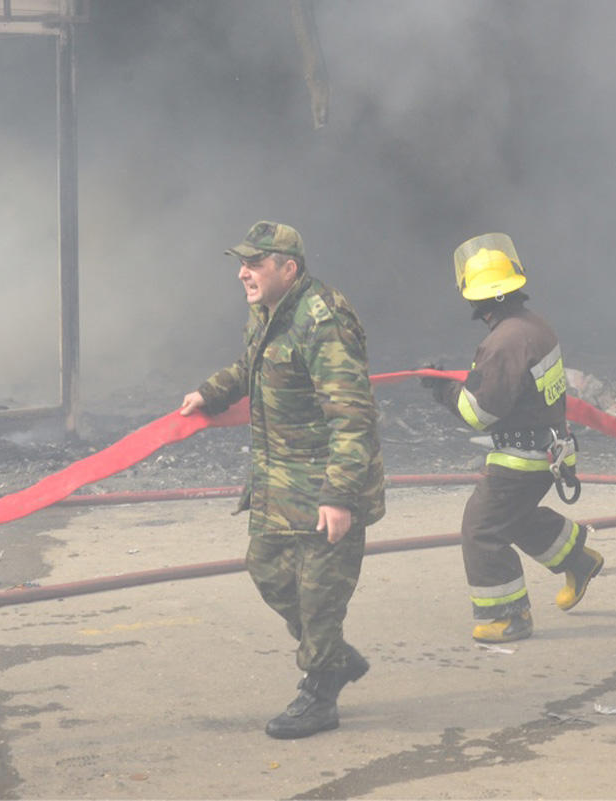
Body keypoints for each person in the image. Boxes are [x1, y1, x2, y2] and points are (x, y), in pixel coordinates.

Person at [180, 220, 385, 739]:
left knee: (319, 596)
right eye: (241, 264)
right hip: (278, 481)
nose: (243, 274)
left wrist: (340, 496)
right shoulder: (266, 314)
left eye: (255, 264)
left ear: (288, 269)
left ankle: (319, 693)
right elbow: (250, 366)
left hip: (324, 486)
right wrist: (212, 392)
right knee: (266, 568)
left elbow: (352, 415)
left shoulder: (324, 320)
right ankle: (333, 656)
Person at [423, 232, 603, 644]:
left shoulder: (502, 343)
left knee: (481, 530)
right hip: (548, 448)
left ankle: (507, 617)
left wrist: (442, 390)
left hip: (521, 459)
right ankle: (579, 558)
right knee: (515, 517)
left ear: (476, 299)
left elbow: (480, 413)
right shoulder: (533, 326)